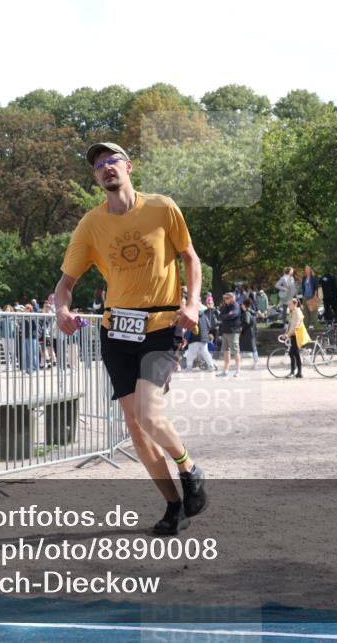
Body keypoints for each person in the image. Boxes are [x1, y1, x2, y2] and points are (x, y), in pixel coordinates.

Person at [53, 141, 207, 536]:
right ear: (94, 177)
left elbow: (190, 258)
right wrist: (62, 310)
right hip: (116, 331)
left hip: (160, 326)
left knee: (149, 414)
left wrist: (192, 306)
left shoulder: (161, 208)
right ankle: (174, 506)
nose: (105, 168)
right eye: (98, 166)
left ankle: (189, 468)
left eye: (112, 161)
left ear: (129, 166)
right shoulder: (91, 224)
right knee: (135, 427)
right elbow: (65, 284)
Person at [216, 292, 242, 377]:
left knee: (235, 351)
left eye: (227, 298)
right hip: (225, 331)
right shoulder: (225, 306)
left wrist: (225, 316)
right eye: (224, 298)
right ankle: (225, 370)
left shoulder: (236, 305)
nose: (225, 300)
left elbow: (233, 315)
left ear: (232, 298)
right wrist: (226, 316)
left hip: (233, 331)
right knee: (226, 351)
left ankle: (238, 370)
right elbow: (220, 316)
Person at [184, 305, 214, 372]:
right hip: (204, 338)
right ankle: (211, 365)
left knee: (191, 354)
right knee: (205, 352)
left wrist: (186, 337)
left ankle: (189, 367)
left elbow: (189, 328)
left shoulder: (192, 316)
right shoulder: (204, 315)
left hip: (194, 338)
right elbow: (209, 326)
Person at [285, 298, 306, 378]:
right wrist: (286, 333)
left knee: (292, 353)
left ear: (295, 304)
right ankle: (298, 372)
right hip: (293, 335)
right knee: (295, 354)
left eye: (290, 304)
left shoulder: (298, 312)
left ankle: (294, 372)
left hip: (297, 336)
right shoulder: (292, 312)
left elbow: (296, 326)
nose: (289, 306)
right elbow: (290, 324)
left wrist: (289, 334)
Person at [239, 297, 259, 370]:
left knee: (241, 347)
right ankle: (255, 363)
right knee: (253, 348)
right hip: (252, 332)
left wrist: (241, 327)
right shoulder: (252, 312)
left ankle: (239, 362)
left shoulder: (246, 313)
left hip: (247, 333)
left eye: (242, 305)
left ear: (244, 305)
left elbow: (246, 322)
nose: (241, 306)